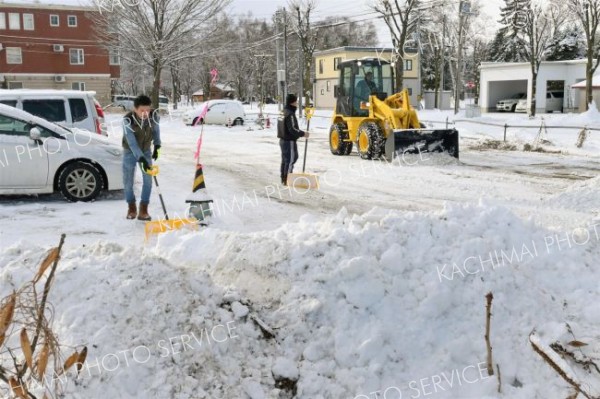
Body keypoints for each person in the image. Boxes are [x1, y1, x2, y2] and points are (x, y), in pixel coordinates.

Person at [122, 95, 161, 220]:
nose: (145, 113)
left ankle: (143, 210)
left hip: (146, 150)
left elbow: (156, 131)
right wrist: (141, 159)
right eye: (142, 110)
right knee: (128, 181)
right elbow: (132, 143)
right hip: (130, 152)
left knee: (148, 180)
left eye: (147, 110)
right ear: (135, 109)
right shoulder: (127, 121)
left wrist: (157, 146)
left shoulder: (153, 117)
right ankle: (131, 207)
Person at [278, 93, 309, 186]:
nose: (297, 103)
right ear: (292, 102)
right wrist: (303, 133)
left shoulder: (282, 111)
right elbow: (292, 128)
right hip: (289, 141)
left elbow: (280, 126)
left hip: (282, 140)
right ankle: (287, 179)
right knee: (291, 160)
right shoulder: (290, 114)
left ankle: (283, 177)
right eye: (296, 101)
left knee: (286, 160)